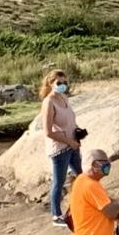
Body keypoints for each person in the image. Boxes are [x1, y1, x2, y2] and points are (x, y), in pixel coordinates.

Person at [40, 69, 83, 226]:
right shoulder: (49, 102)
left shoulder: (64, 97)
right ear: (51, 84)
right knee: (59, 181)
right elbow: (48, 131)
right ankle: (56, 215)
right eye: (59, 83)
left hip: (72, 144)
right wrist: (69, 142)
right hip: (60, 148)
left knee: (80, 176)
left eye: (65, 83)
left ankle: (81, 204)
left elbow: (70, 119)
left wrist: (78, 132)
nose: (62, 86)